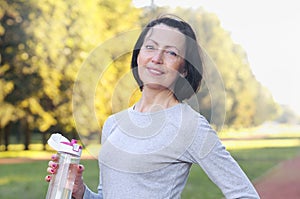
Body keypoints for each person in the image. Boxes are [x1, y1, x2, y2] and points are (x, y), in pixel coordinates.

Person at [46, 16, 260, 199]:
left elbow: (244, 194)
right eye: (150, 47)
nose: (156, 58)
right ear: (138, 55)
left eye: (171, 53)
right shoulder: (114, 123)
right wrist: (80, 190)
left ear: (184, 70)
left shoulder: (189, 126)